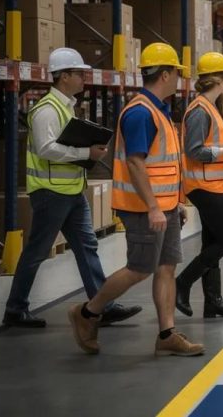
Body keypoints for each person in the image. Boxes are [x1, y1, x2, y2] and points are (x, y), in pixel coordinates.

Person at [67, 42, 204, 357]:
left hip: (164, 207)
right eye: (177, 74)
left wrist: (174, 203)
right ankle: (87, 313)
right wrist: (155, 206)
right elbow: (135, 163)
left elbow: (163, 165)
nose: (180, 80)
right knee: (139, 269)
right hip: (144, 209)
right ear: (165, 74)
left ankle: (167, 333)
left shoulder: (157, 109)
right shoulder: (141, 112)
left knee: (167, 266)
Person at [3, 48, 141, 328]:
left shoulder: (66, 106)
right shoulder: (46, 110)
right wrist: (85, 154)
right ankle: (15, 310)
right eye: (78, 73)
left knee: (87, 246)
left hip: (72, 191)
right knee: (36, 252)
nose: (83, 78)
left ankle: (101, 306)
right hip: (51, 192)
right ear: (63, 77)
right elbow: (45, 149)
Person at [175, 52, 223, 319]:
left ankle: (212, 302)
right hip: (202, 187)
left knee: (212, 242)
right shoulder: (199, 111)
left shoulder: (213, 107)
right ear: (220, 78)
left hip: (214, 185)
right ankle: (182, 283)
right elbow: (194, 151)